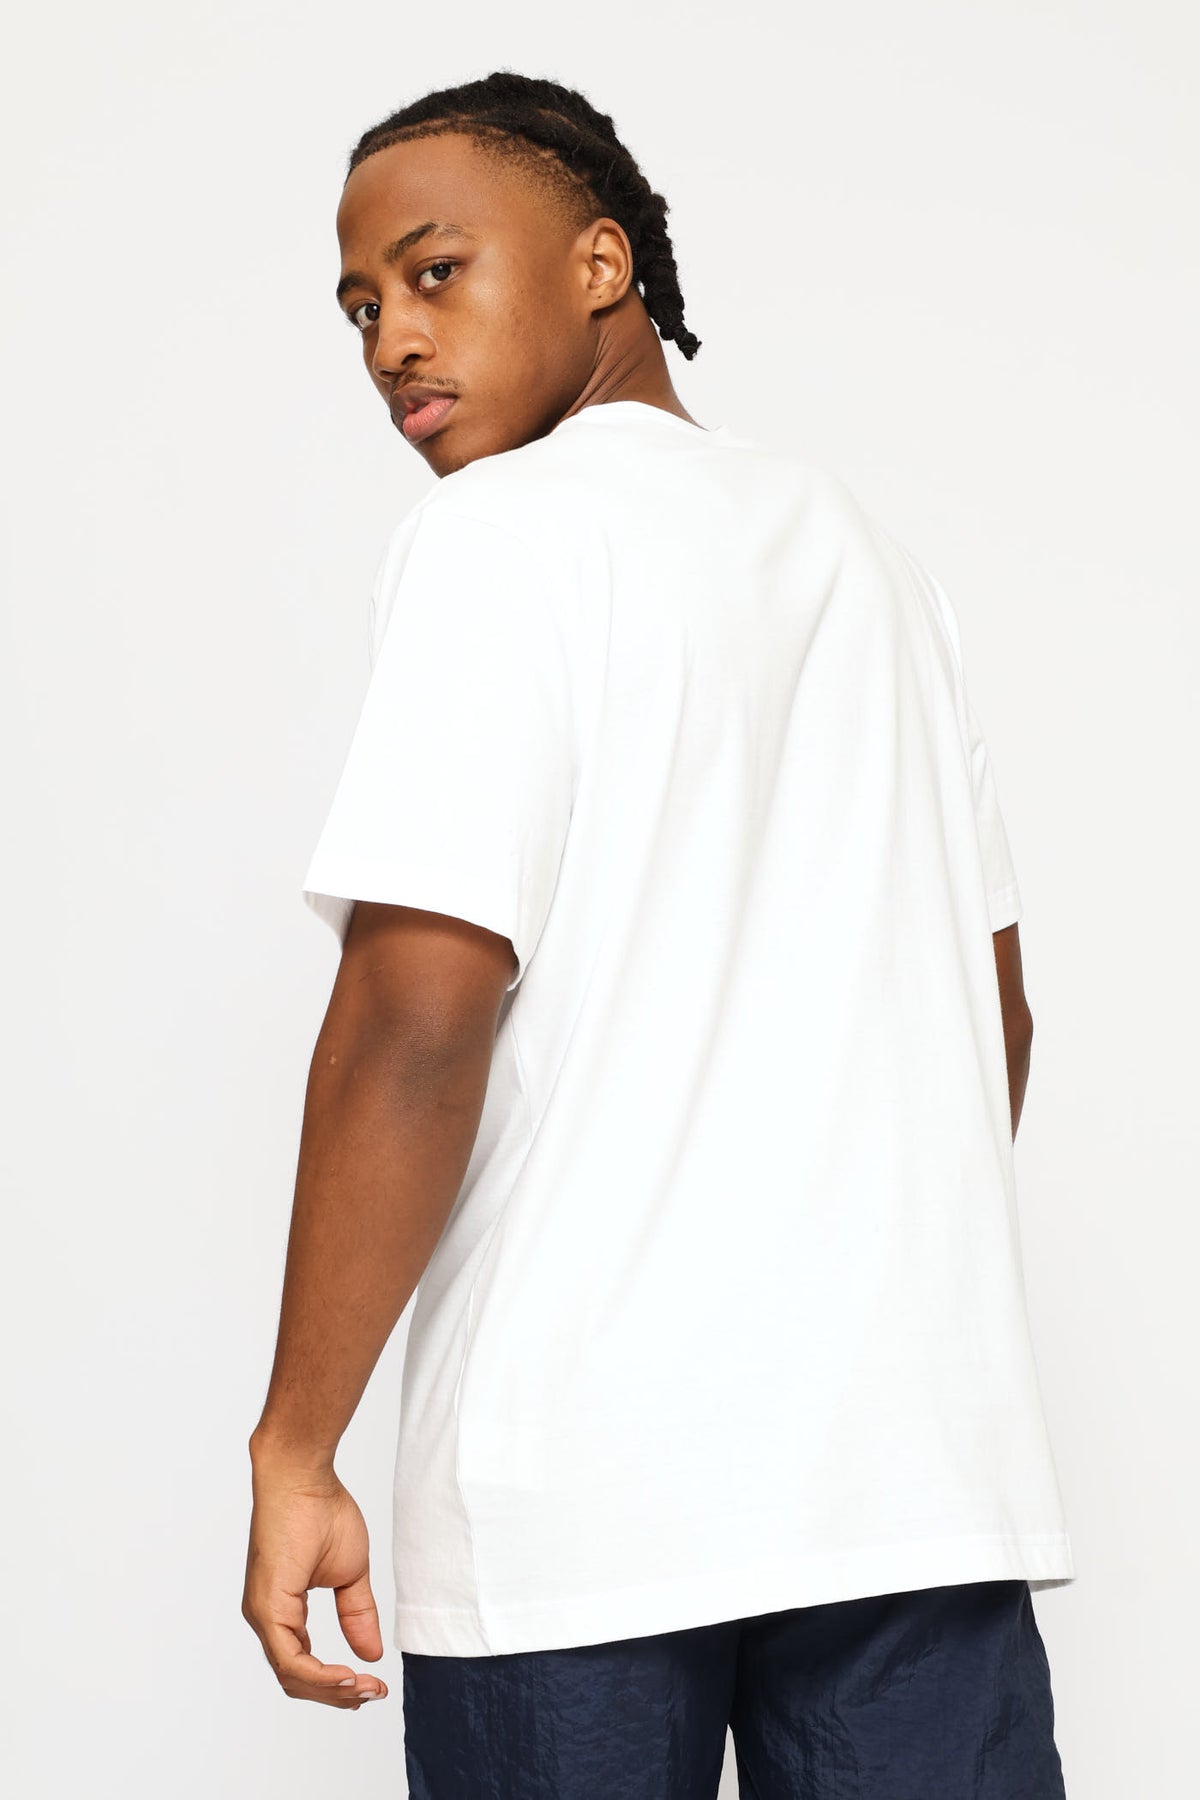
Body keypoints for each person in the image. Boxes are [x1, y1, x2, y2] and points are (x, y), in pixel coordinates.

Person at [242, 69, 1076, 1798]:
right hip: (910, 1481)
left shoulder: (497, 534)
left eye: (436, 270)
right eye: (361, 306)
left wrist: (298, 1445)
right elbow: (993, 1012)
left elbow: (416, 1020)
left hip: (582, 1506)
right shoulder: (872, 558)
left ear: (602, 263)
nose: (394, 338)